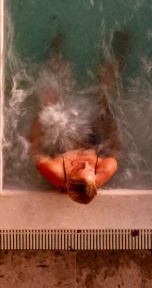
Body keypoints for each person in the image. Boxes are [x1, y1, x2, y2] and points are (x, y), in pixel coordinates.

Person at [29, 33, 126, 204]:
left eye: (78, 169)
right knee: (106, 90)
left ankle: (55, 48)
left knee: (52, 94)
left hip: (62, 140)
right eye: (88, 170)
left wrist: (42, 111)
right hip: (94, 138)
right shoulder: (104, 170)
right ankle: (117, 50)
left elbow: (35, 147)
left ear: (67, 181)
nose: (83, 164)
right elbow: (115, 147)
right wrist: (107, 112)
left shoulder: (56, 172)